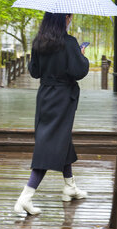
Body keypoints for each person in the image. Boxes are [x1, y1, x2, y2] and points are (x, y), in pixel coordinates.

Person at [14, 12, 89, 215]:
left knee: (59, 138)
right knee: (49, 145)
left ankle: (70, 187)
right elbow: (78, 71)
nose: (71, 18)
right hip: (63, 98)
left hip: (45, 95)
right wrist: (81, 56)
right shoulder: (69, 42)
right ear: (63, 18)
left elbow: (35, 71)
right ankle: (25, 198)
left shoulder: (39, 42)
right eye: (69, 16)